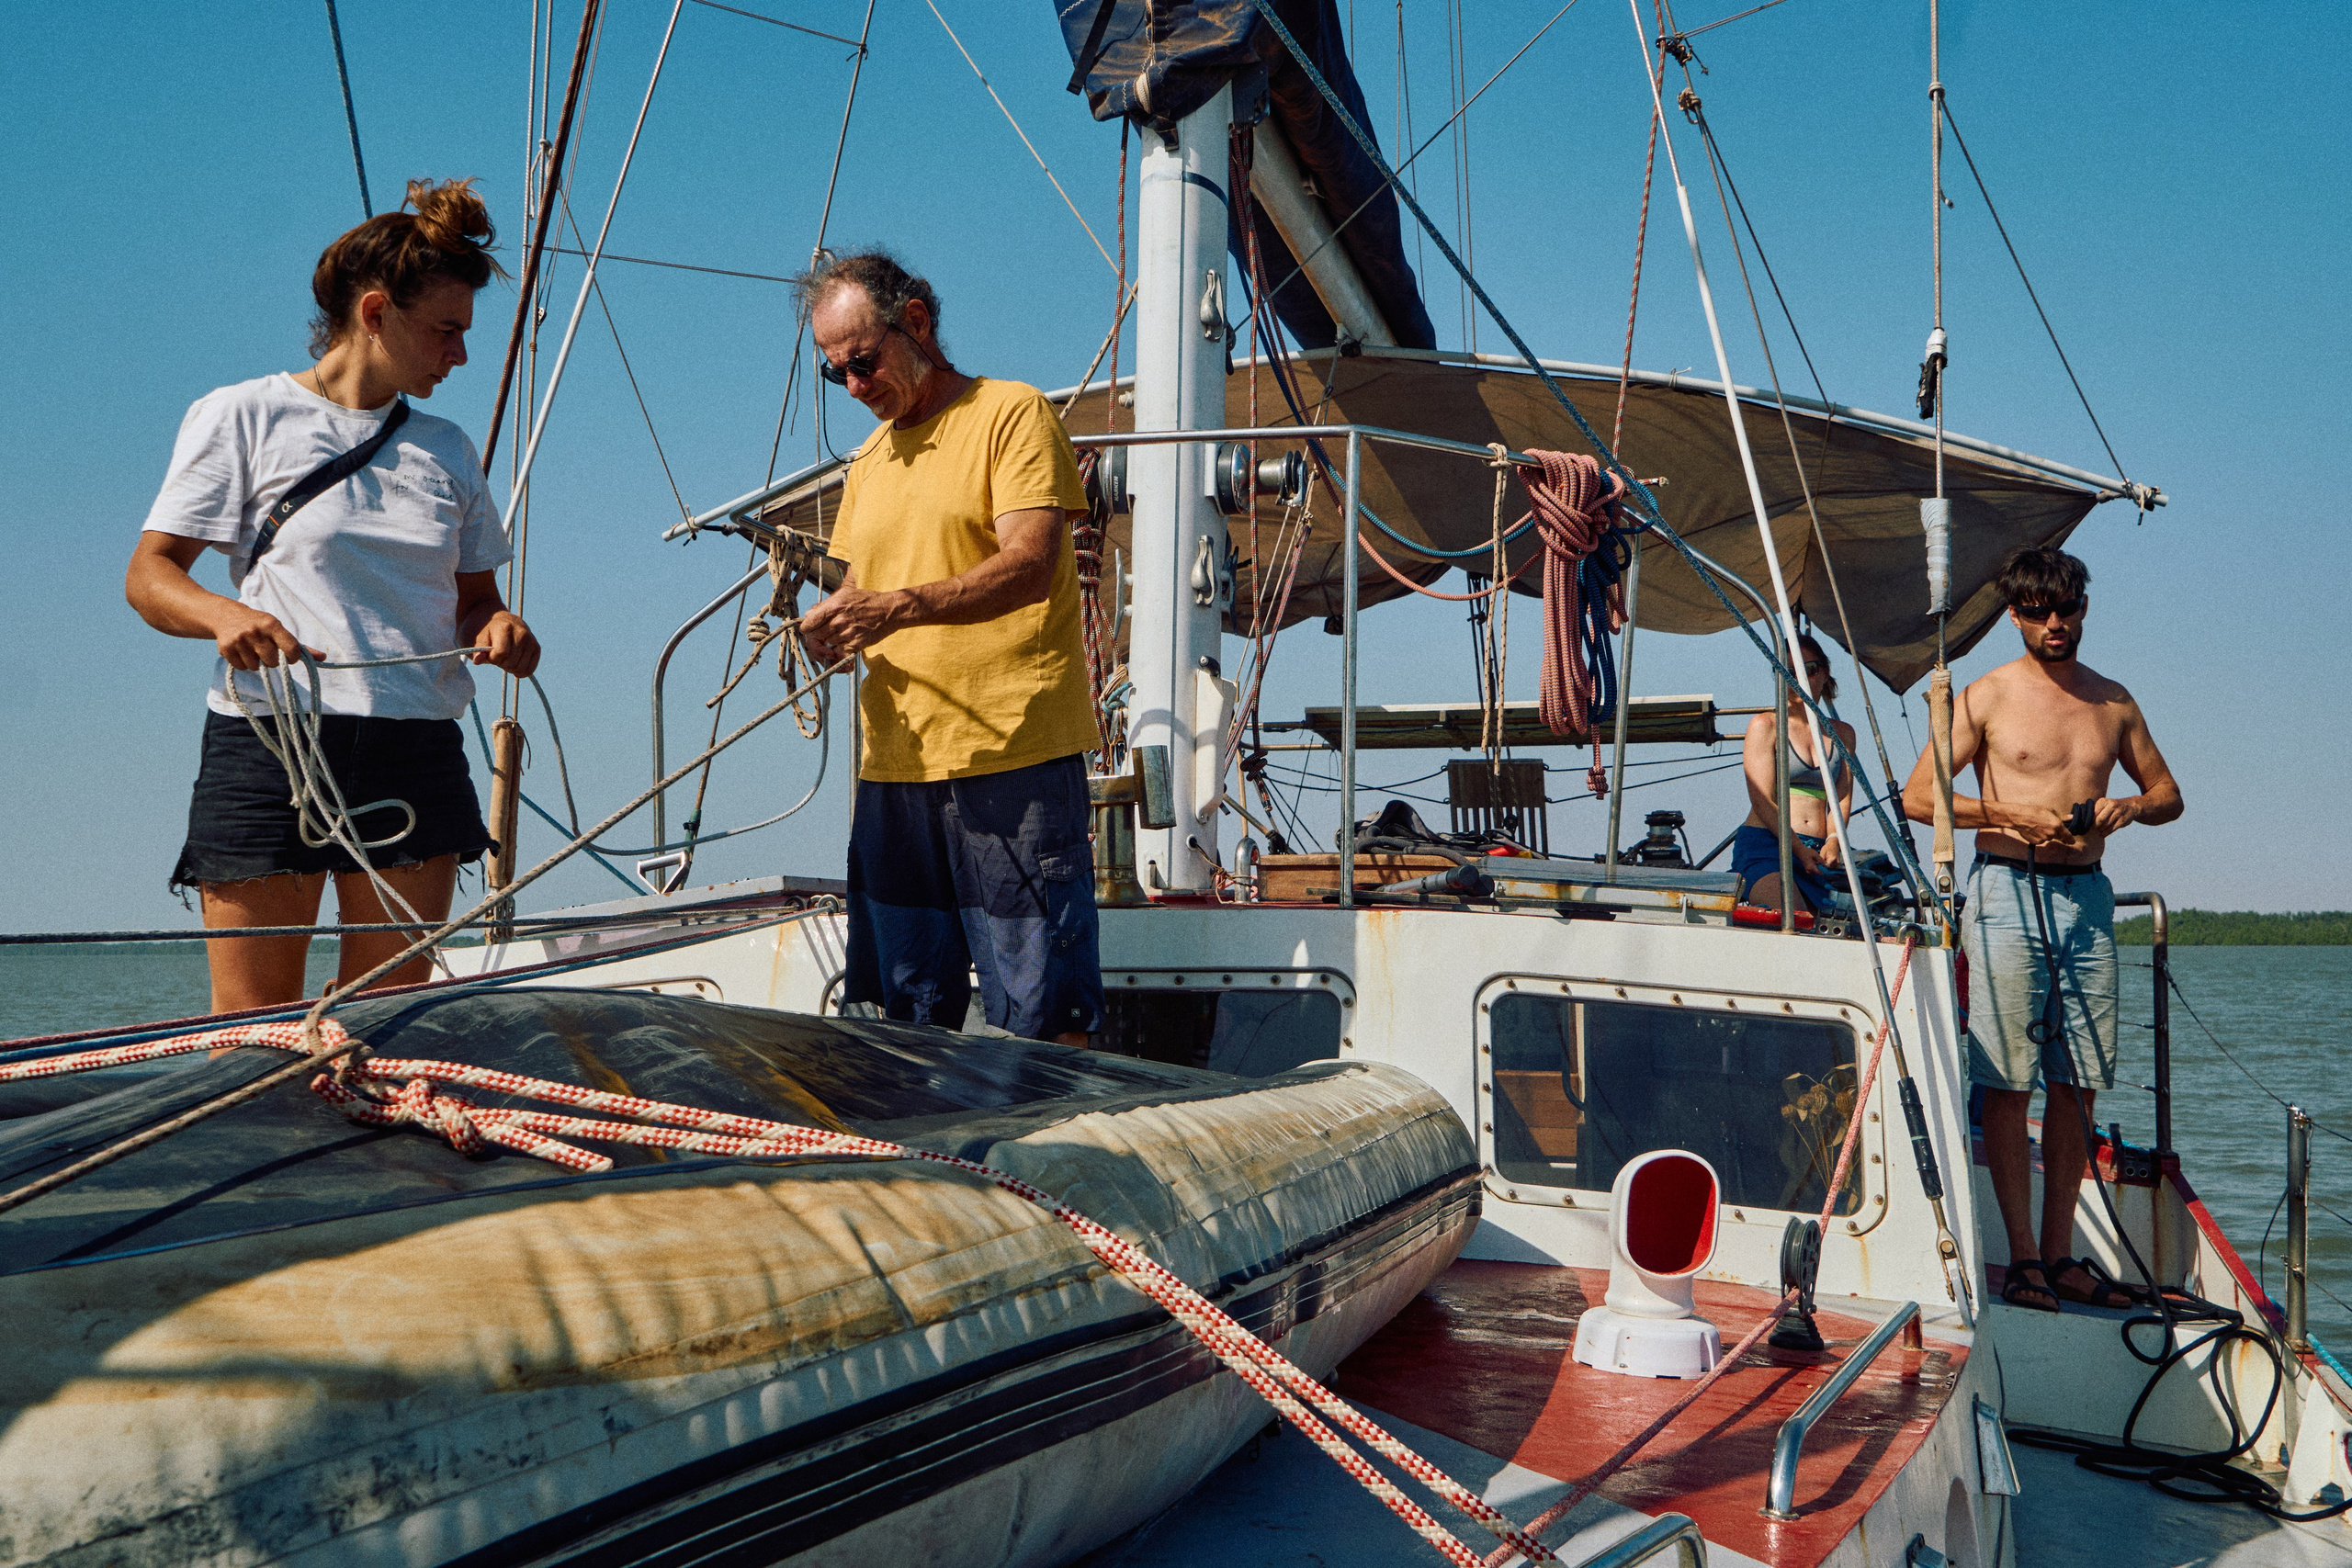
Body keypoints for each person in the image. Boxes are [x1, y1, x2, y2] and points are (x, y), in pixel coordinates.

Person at [127, 178, 539, 1014]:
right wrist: (224, 613)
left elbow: (475, 601)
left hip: (414, 745)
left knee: (381, 1027)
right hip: (272, 742)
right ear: (377, 312)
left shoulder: (449, 449)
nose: (460, 354)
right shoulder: (242, 415)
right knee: (251, 1031)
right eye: (447, 330)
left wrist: (499, 625)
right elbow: (151, 576)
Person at [795, 251, 1102, 1046]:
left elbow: (1031, 564)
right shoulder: (866, 464)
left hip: (1013, 757)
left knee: (1041, 1009)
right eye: (838, 375)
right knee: (905, 1015)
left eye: (864, 362)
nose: (856, 387)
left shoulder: (1011, 414)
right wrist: (832, 634)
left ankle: (1053, 1163)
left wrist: (898, 606)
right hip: (895, 773)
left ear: (918, 324)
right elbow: (865, 595)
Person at [1902, 545, 2182, 1313]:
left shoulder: (2113, 702)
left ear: (2084, 608)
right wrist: (2010, 813)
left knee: (2080, 1078)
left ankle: (2061, 1256)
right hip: (2005, 890)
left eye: (2067, 610)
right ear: (2016, 614)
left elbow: (2168, 792)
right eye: (2037, 612)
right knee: (2007, 1077)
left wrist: (2130, 806)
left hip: (2087, 898)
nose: (2055, 624)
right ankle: (2022, 1259)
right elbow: (1920, 796)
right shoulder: (1987, 697)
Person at [1732, 632, 1857, 917]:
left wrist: (1834, 840)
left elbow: (1842, 797)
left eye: (1807, 670)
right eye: (1786, 672)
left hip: (1819, 854)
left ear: (1824, 673)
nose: (1797, 680)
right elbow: (1762, 798)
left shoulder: (1843, 734)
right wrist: (1798, 849)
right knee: (1795, 920)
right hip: (1768, 847)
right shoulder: (1765, 725)